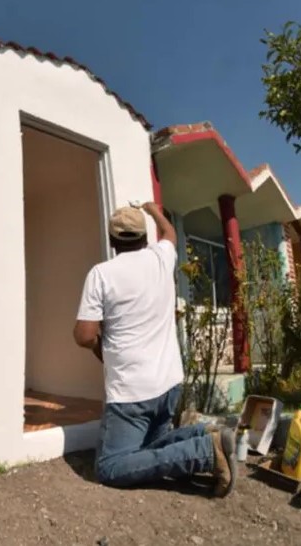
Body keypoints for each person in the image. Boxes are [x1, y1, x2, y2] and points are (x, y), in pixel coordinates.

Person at [73, 202, 236, 496]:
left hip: (132, 394)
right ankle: (204, 434)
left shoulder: (101, 273)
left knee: (110, 467)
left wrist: (103, 351)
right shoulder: (161, 256)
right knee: (148, 450)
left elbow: (84, 335)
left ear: (111, 242)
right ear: (144, 238)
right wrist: (153, 210)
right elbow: (170, 232)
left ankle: (204, 451)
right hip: (169, 384)